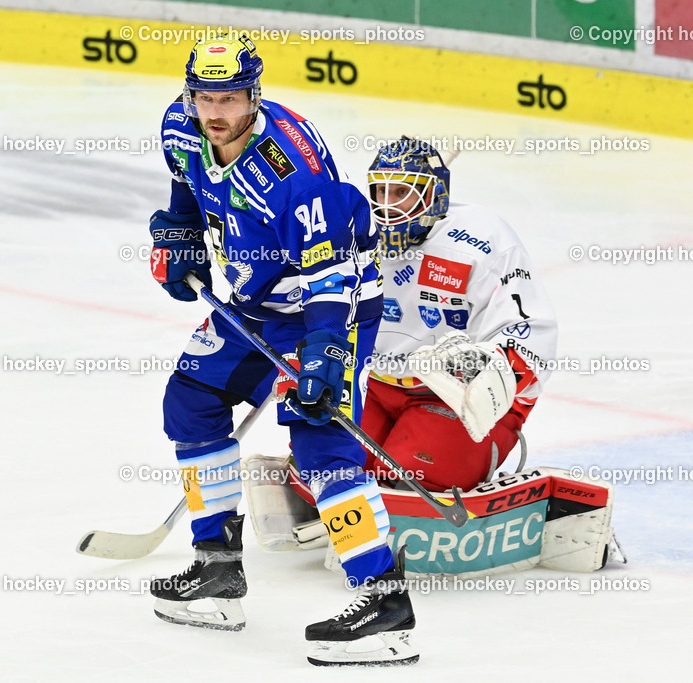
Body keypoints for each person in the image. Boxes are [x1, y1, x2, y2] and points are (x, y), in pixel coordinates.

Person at [145, 34, 417, 666]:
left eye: (230, 98)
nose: (216, 112)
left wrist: (323, 354)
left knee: (321, 445)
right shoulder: (180, 128)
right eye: (205, 97)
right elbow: (188, 193)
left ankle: (384, 604)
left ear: (254, 95)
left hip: (332, 306)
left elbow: (332, 273)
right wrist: (178, 236)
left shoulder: (293, 170)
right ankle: (217, 569)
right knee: (191, 400)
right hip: (259, 300)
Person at [361, 136, 558, 492]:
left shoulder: (480, 239)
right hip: (373, 384)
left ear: (434, 196)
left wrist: (489, 372)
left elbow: (527, 327)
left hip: (451, 395)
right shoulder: (358, 233)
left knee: (410, 482)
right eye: (381, 192)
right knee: (327, 470)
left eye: (402, 193)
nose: (387, 207)